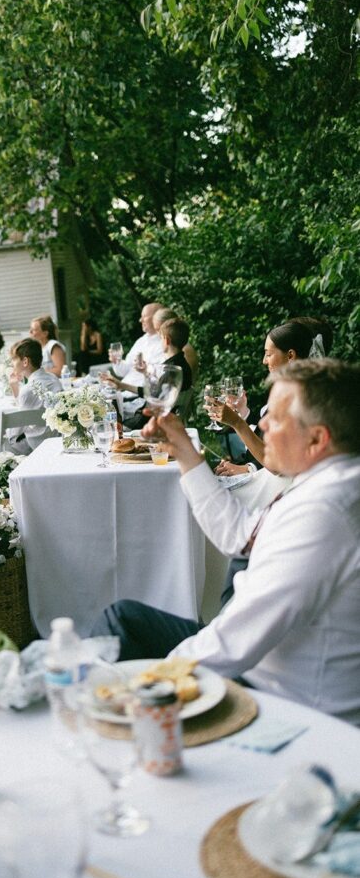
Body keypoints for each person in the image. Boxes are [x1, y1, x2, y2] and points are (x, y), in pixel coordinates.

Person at [91, 358, 360, 725]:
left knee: (115, 643)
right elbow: (242, 537)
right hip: (264, 662)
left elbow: (236, 640)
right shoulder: (330, 479)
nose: (261, 424)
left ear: (317, 438)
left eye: (276, 419)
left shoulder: (326, 512)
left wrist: (143, 683)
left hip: (284, 697)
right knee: (122, 620)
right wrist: (185, 451)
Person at [211, 319, 315, 477]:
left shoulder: (300, 396)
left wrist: (237, 422)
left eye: (268, 354)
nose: (264, 361)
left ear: (290, 355)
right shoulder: (291, 387)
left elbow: (278, 464)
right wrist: (243, 412)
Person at [0, 337, 62, 460]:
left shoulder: (28, 390)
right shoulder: (53, 379)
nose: (12, 363)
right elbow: (29, 408)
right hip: (51, 442)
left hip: (31, 446)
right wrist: (14, 387)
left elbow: (14, 434)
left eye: (14, 359)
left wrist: (2, 433)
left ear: (25, 362)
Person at [110, 302, 165, 380]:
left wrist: (145, 370)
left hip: (140, 391)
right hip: (124, 390)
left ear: (156, 317)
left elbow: (161, 378)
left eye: (144, 316)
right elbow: (124, 371)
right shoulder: (141, 341)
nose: (140, 320)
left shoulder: (166, 343)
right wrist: (116, 361)